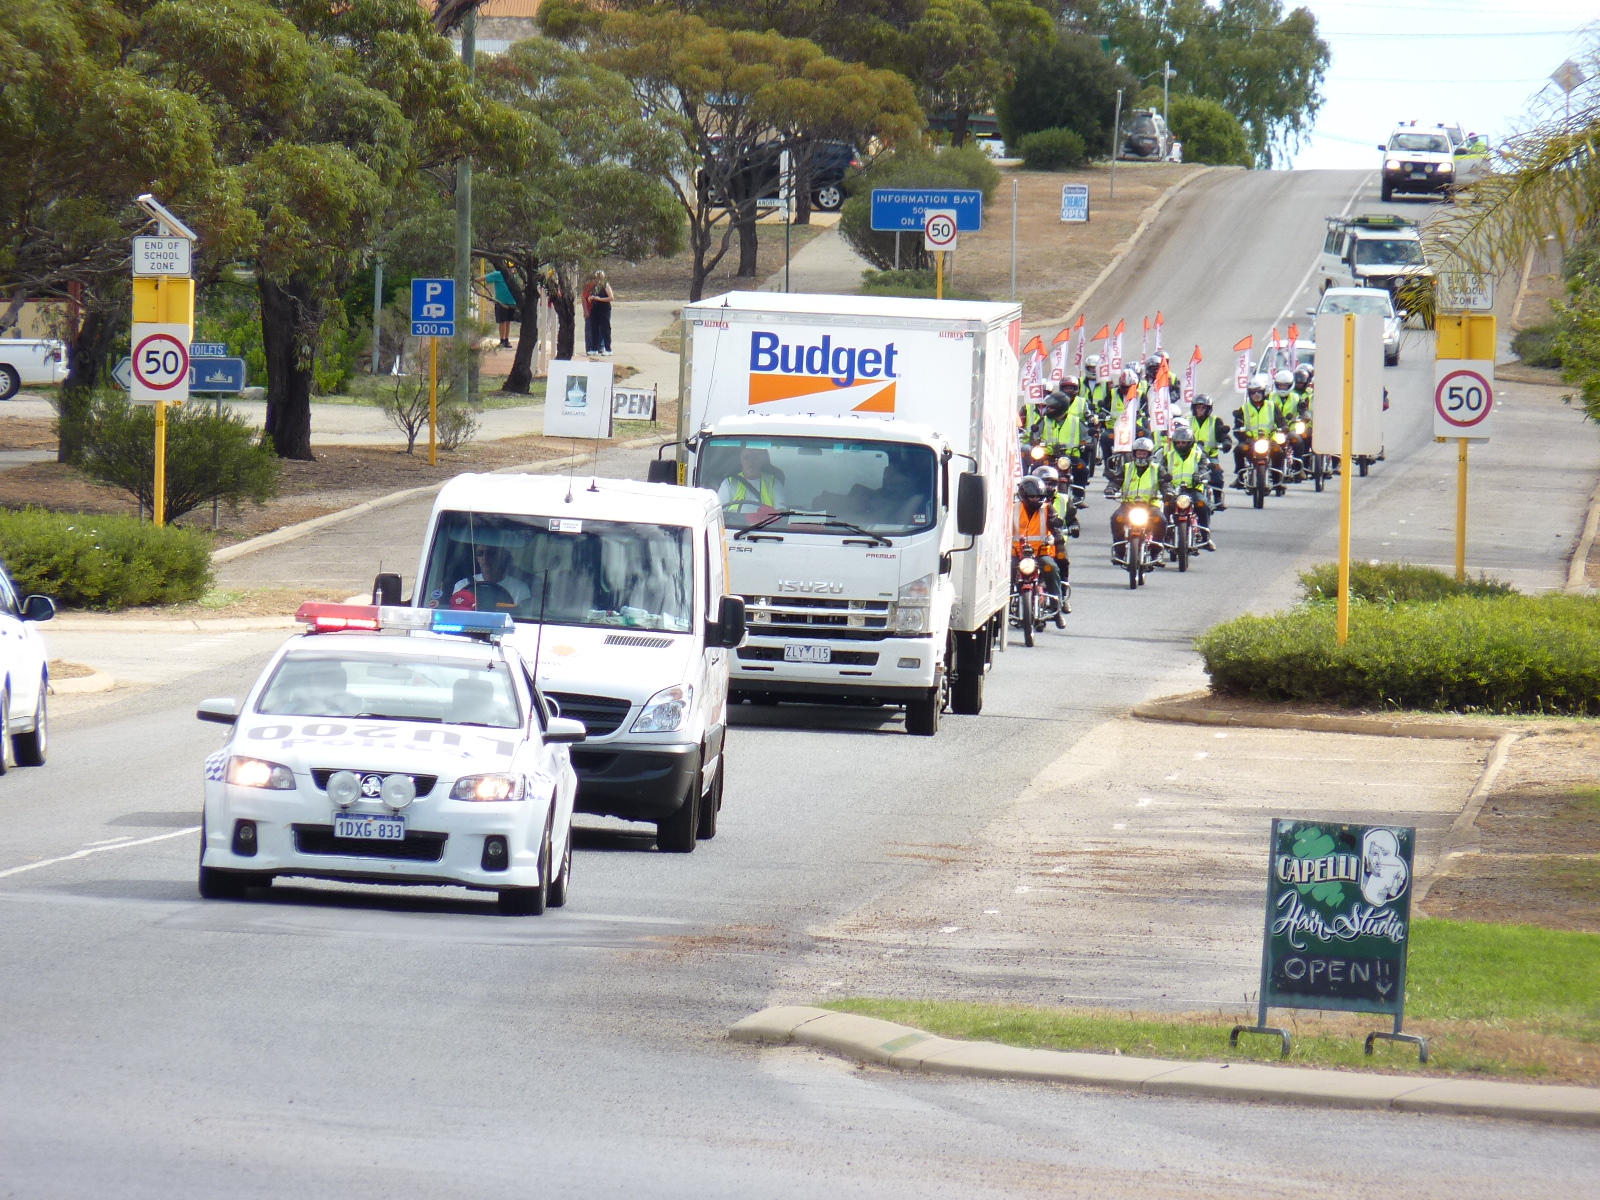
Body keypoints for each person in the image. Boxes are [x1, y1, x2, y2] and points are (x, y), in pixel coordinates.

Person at [1111, 436, 1172, 565]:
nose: (1141, 456)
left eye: (1144, 453)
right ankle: (1119, 552)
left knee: (1161, 520)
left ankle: (1156, 552)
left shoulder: (1157, 469)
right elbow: (1116, 481)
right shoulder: (1126, 467)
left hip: (1150, 505)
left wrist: (1168, 492)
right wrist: (1110, 489)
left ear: (1150, 454)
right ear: (1133, 454)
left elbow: (1165, 484)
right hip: (1129, 505)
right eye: (1138, 453)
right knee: (1116, 518)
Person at [1014, 474, 1068, 619]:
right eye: (1032, 497)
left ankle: (1057, 608)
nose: (1035, 499)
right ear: (1024, 496)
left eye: (1038, 496)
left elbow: (1056, 526)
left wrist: (1058, 537)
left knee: (1052, 568)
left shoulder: (1048, 508)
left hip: (1041, 554)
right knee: (1007, 572)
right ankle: (1004, 607)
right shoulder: (1013, 509)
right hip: (1017, 554)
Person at [1163, 422, 1216, 550]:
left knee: (1203, 505)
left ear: (1191, 443)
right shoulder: (1169, 456)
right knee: (1164, 507)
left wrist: (1200, 476)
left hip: (1193, 490)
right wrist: (1164, 477)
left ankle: (1205, 537)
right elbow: (1160, 470)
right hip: (1174, 491)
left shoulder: (1198, 455)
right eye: (1178, 443)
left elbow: (1205, 468)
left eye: (1184, 443)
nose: (1181, 445)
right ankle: (1164, 536)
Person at [1232, 373, 1284, 484]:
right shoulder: (1244, 408)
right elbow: (1237, 427)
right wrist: (1244, 437)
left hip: (1269, 440)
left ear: (1263, 393)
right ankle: (1240, 477)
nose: (1256, 395)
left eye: (1259, 392)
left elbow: (1281, 420)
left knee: (1278, 452)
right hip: (1250, 441)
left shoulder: (1272, 406)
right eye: (1253, 392)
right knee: (1239, 449)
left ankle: (1277, 480)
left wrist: (1284, 427)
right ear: (1249, 394)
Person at [451, 543, 532, 610]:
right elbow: (457, 615)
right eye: (480, 553)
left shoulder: (520, 589)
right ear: (477, 558)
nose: (485, 558)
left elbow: (523, 619)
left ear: (500, 557)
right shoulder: (462, 586)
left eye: (490, 553)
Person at [1188, 394, 1231, 511]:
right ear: (1194, 408)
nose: (1200, 409)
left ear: (1208, 409)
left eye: (1203, 407)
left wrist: (1226, 442)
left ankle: (1218, 499)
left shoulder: (1215, 421)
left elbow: (1223, 435)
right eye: (1198, 407)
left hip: (1210, 457)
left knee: (1217, 473)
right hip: (1191, 456)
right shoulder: (1187, 420)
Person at [718, 446, 787, 515]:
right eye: (747, 458)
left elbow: (781, 511)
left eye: (755, 457)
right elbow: (718, 512)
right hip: (732, 522)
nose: (751, 461)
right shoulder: (729, 482)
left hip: (766, 522)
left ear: (761, 460)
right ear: (741, 460)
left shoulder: (774, 483)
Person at [582, 270, 614, 357]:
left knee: (605, 329)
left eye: (600, 278)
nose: (598, 280)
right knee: (594, 329)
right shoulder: (594, 287)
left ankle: (608, 349)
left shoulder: (605, 286)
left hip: (604, 309)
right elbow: (585, 296)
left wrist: (599, 299)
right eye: (597, 278)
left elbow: (611, 297)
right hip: (595, 309)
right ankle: (594, 348)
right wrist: (591, 298)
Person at [485, 268, 518, 348]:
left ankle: (506, 340)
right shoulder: (498, 274)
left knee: (508, 321)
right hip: (501, 302)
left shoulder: (513, 277)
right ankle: (502, 340)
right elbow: (485, 278)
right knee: (502, 322)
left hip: (511, 302)